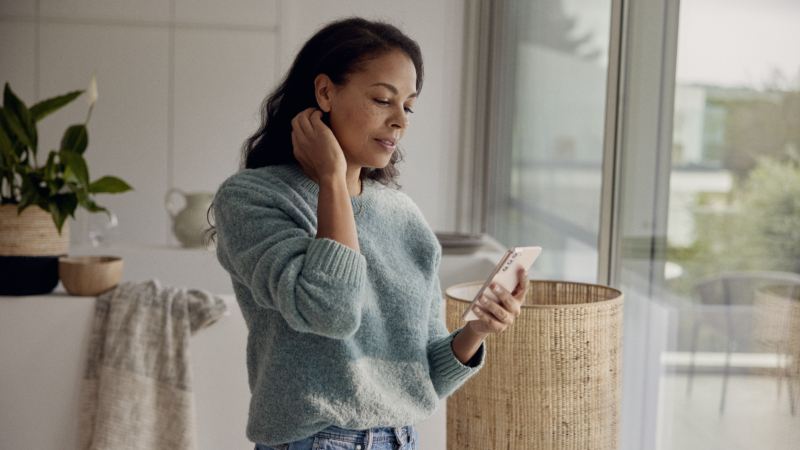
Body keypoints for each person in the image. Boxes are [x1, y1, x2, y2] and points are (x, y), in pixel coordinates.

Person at [206, 17, 529, 450]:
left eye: (408, 107)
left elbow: (423, 377)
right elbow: (331, 311)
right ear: (325, 93)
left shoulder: (402, 215)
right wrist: (332, 179)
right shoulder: (252, 199)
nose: (400, 122)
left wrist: (477, 330)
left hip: (401, 439)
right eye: (383, 100)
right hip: (314, 441)